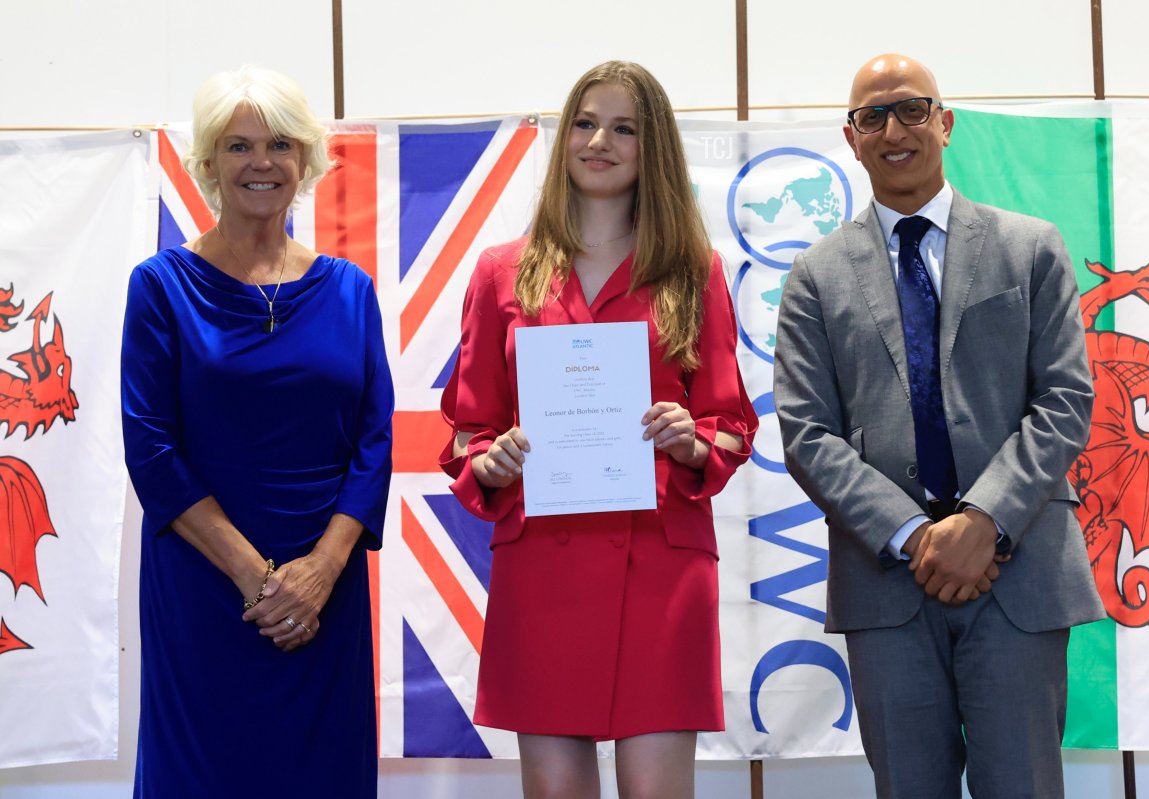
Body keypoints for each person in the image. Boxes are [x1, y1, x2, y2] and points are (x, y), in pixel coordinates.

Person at [773, 53, 1104, 799]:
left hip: (1018, 575)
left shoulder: (1031, 247)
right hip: (886, 583)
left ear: (946, 123)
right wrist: (920, 537)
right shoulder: (816, 278)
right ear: (852, 139)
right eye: (872, 116)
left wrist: (983, 520)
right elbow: (807, 434)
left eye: (912, 108)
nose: (895, 129)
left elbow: (1063, 400)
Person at [440, 61, 757, 798]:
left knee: (655, 792)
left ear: (655, 150)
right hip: (544, 562)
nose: (598, 141)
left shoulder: (692, 269)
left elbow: (732, 422)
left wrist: (692, 436)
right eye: (585, 123)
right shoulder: (499, 273)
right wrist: (493, 458)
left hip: (662, 560)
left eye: (623, 128)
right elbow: (468, 426)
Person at [121, 66, 392, 798]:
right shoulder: (160, 286)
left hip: (324, 594)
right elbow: (151, 448)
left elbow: (373, 443)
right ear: (207, 164)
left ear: (306, 159)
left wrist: (320, 573)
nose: (261, 162)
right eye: (238, 146)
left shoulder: (350, 290)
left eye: (278, 143)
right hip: (205, 590)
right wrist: (258, 579)